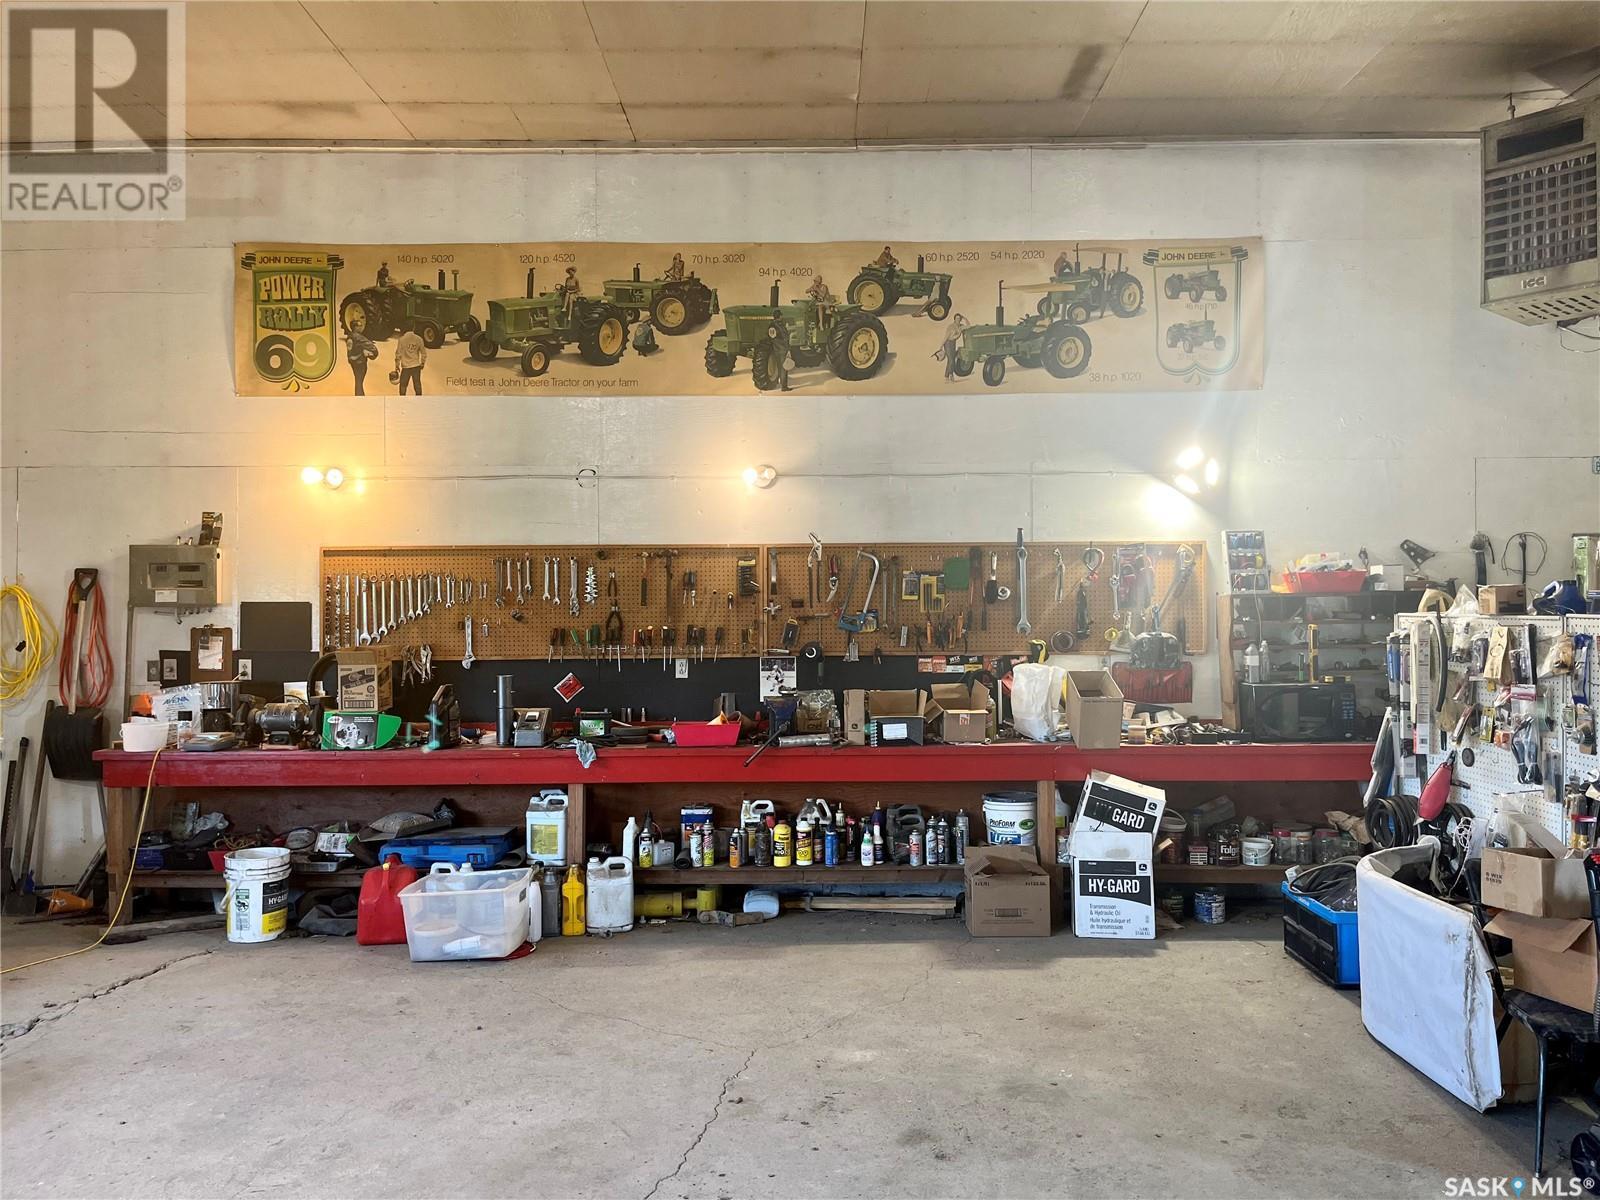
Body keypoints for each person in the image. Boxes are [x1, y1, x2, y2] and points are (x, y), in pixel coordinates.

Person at [933, 313, 968, 381]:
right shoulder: (951, 326)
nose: (957, 320)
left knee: (951, 360)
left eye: (959, 318)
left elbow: (969, 326)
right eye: (956, 318)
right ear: (954, 319)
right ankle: (949, 376)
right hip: (948, 343)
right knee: (951, 360)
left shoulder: (961, 326)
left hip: (953, 343)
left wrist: (964, 318)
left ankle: (948, 375)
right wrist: (941, 346)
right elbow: (946, 337)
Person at [346, 327, 377, 395]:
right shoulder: (359, 337)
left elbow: (350, 351)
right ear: (355, 327)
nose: (361, 327)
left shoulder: (350, 336)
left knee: (358, 381)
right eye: (359, 326)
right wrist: (371, 354)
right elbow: (373, 349)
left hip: (354, 362)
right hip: (360, 362)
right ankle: (360, 396)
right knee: (359, 382)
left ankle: (359, 395)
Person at [394, 327, 426, 395]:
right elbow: (423, 353)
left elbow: (398, 354)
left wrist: (397, 365)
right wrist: (422, 363)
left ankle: (402, 401)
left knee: (403, 385)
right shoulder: (419, 339)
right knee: (417, 384)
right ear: (413, 328)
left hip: (406, 367)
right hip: (416, 365)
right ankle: (420, 400)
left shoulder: (402, 339)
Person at [765, 311, 791, 392]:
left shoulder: (771, 325)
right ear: (780, 316)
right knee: (784, 368)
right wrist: (788, 348)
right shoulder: (781, 325)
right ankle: (784, 387)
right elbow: (785, 337)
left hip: (776, 349)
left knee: (779, 367)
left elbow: (771, 337)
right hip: (783, 349)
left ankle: (781, 384)